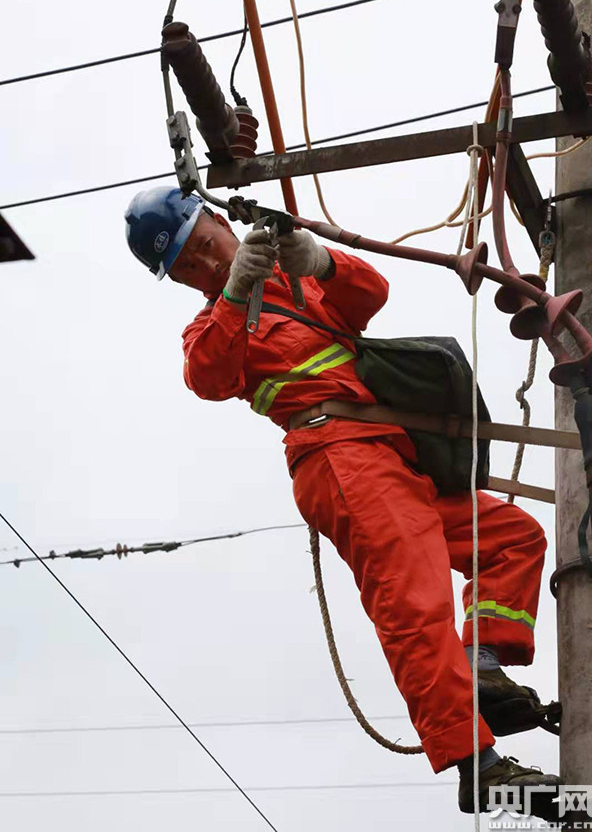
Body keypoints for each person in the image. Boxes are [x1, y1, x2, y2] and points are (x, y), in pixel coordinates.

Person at [125, 186, 561, 821]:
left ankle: (481, 661)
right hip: (340, 458)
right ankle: (479, 766)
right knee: (413, 602)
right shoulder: (210, 328)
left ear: (220, 220)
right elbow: (208, 376)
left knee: (510, 537)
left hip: (394, 455)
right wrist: (234, 293)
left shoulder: (293, 282)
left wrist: (320, 260)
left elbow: (370, 295)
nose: (209, 263)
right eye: (189, 265)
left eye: (206, 244)